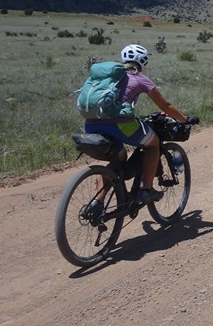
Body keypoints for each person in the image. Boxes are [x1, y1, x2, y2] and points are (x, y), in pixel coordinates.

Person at [84, 44, 196, 207]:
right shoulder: (138, 77)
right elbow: (165, 106)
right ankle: (146, 190)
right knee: (153, 144)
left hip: (91, 124)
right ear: (143, 61)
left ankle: (96, 203)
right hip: (119, 124)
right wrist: (184, 119)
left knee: (118, 159)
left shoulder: (107, 77)